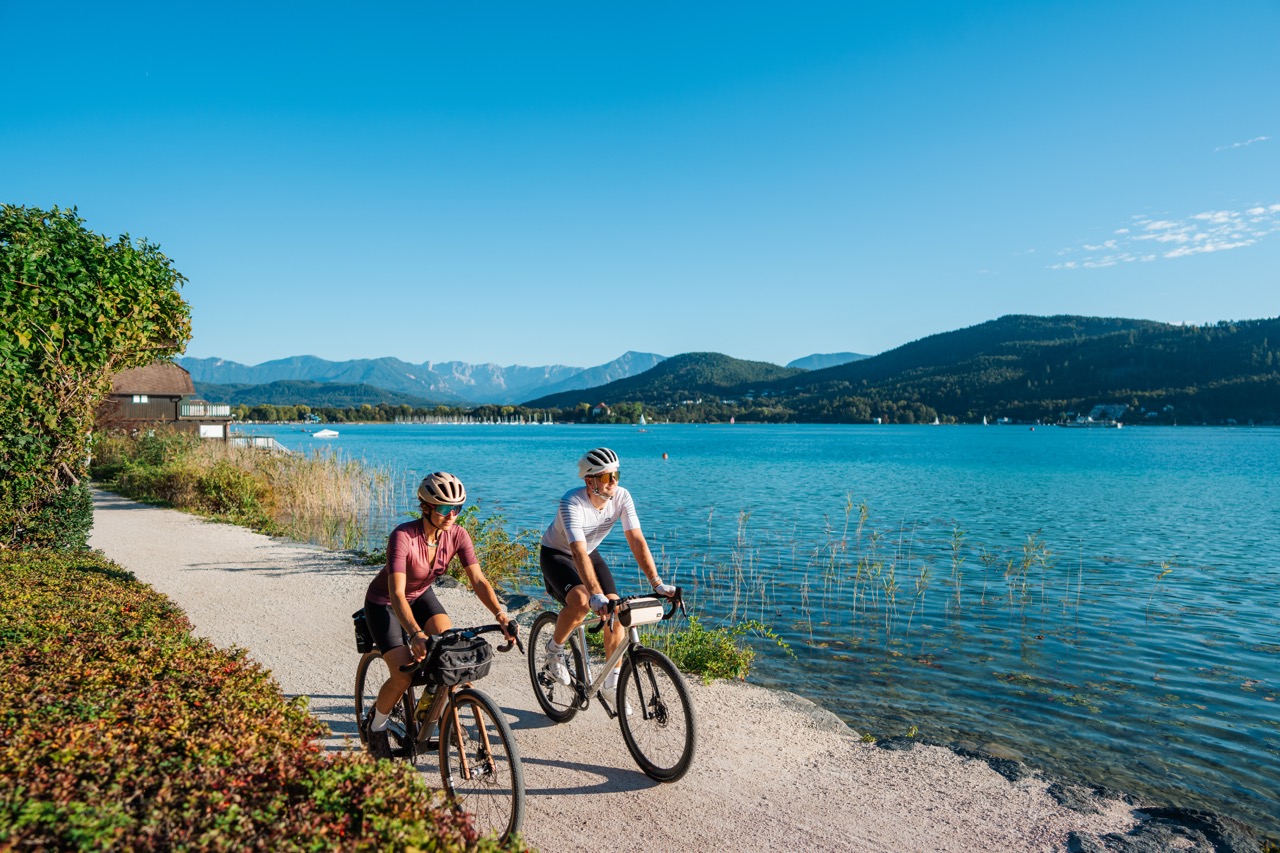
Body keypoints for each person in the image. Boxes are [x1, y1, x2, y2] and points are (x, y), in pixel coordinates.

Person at [362, 471, 511, 759]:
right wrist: (416, 633)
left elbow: (478, 580)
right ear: (426, 507)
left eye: (457, 509)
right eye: (444, 508)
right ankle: (376, 726)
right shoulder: (403, 536)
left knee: (450, 653)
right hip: (385, 603)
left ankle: (433, 710)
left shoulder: (457, 535)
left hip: (420, 597)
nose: (452, 515)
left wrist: (500, 614)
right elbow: (396, 593)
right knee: (404, 674)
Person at [538, 447, 676, 701]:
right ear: (589, 481)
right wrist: (595, 595)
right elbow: (577, 552)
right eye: (605, 477)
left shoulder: (622, 497)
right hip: (557, 554)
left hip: (590, 553)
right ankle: (554, 651)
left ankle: (611, 685)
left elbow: (636, 541)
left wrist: (657, 583)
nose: (613, 481)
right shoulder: (572, 502)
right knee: (581, 602)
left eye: (616, 475)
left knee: (617, 610)